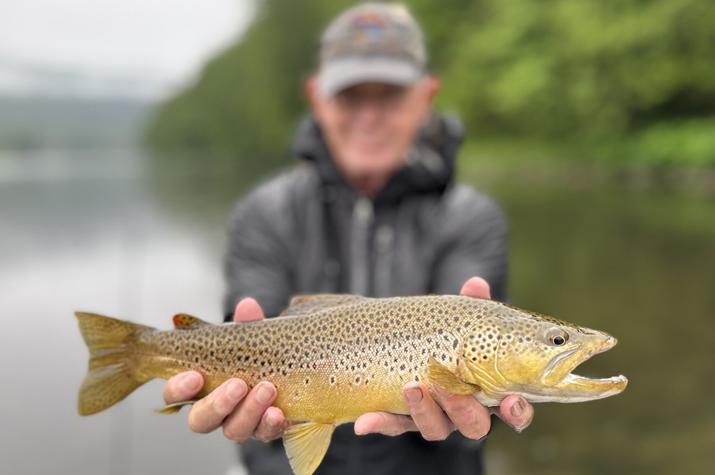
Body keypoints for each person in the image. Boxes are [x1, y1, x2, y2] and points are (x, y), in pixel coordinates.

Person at [163, 3, 534, 474]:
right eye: (350, 97)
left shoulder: (470, 217)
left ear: (426, 96)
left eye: (391, 97)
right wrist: (230, 390)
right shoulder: (265, 214)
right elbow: (248, 327)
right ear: (316, 97)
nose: (370, 117)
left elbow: (488, 377)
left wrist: (494, 406)